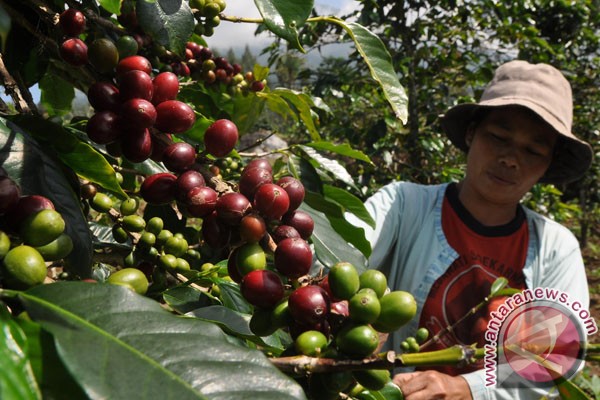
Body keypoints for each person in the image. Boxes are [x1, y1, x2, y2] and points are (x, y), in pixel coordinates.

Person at [352, 60, 593, 399]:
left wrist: (468, 389)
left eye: (533, 150)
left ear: (547, 165)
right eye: (498, 137)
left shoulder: (556, 246)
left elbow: (559, 354)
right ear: (471, 133)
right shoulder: (403, 205)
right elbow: (341, 251)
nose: (510, 159)